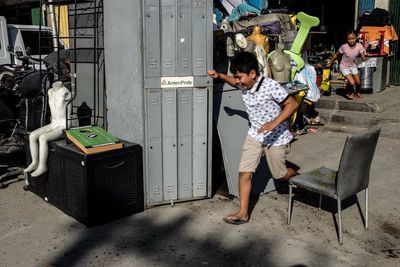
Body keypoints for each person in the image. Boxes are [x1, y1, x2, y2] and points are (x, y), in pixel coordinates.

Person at [208, 52, 299, 224]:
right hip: (255, 135)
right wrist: (219, 75)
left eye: (240, 77)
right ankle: (243, 213)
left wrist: (274, 123)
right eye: (237, 77)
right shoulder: (243, 84)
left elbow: (292, 104)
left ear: (252, 73)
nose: (238, 81)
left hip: (276, 137)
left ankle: (300, 180)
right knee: (244, 172)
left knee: (280, 175)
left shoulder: (271, 86)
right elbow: (233, 81)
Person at [24, 81, 72, 177]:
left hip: (64, 124)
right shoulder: (50, 91)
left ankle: (42, 166)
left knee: (43, 138)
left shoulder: (66, 93)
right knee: (32, 135)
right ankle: (35, 162)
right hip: (54, 123)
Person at [329, 30, 366, 99]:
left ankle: (357, 92)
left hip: (353, 65)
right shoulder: (344, 47)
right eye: (349, 39)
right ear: (347, 39)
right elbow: (336, 55)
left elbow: (362, 55)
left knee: (358, 82)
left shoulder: (359, 46)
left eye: (353, 38)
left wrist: (363, 57)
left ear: (356, 38)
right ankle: (350, 92)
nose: (351, 40)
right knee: (352, 82)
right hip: (344, 66)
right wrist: (330, 62)